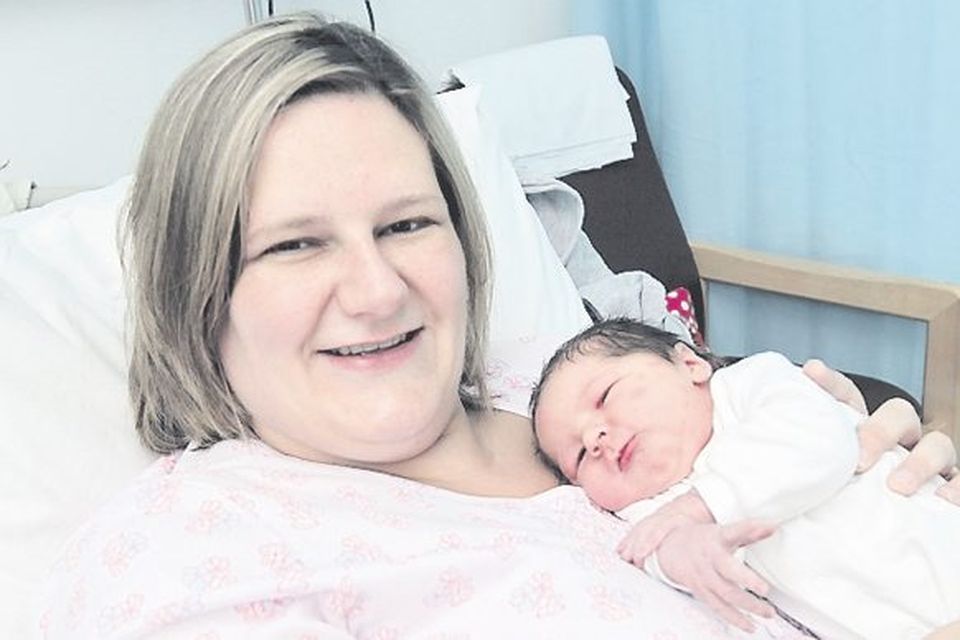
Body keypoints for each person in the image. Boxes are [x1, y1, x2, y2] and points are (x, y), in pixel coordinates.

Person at [39, 13, 960, 639]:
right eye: (295, 245)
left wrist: (877, 478)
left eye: (407, 225)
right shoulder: (186, 557)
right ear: (196, 290)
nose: (378, 292)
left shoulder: (553, 385)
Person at [531, 318, 960, 639]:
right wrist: (678, 554)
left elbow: (823, 442)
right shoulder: (648, 507)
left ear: (690, 363)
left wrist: (700, 507)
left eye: (605, 396)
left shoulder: (751, 385)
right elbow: (652, 549)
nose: (595, 438)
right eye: (579, 456)